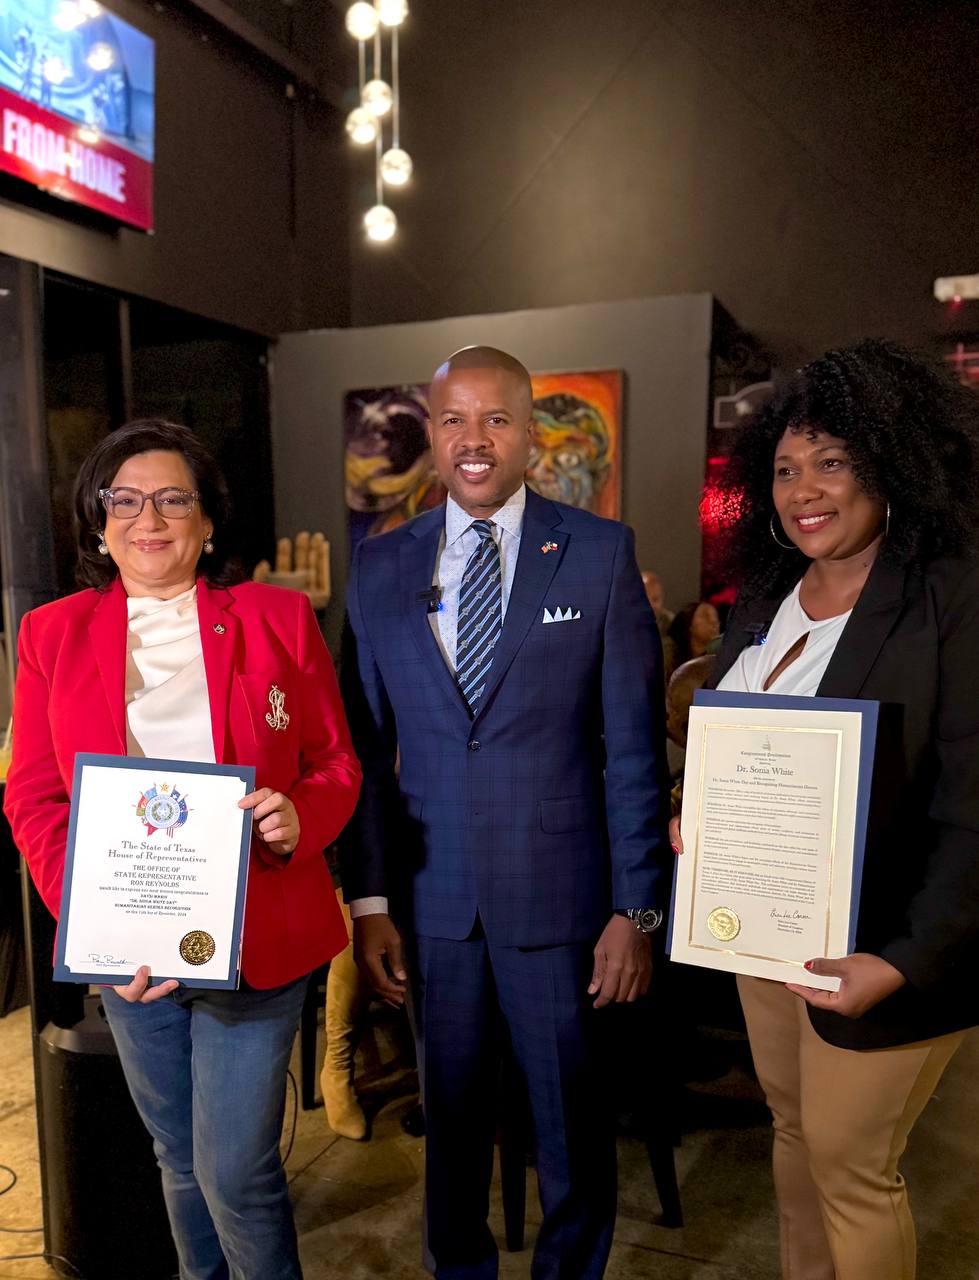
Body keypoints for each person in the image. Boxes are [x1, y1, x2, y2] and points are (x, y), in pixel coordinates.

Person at [340, 345, 671, 1278]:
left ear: (530, 435)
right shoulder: (378, 567)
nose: (473, 440)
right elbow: (363, 755)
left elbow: (632, 751)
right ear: (431, 433)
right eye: (453, 419)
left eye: (495, 419)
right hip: (431, 904)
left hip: (565, 907)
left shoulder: (598, 552)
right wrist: (368, 905)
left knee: (570, 1128)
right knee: (447, 1129)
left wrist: (635, 909)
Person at [4, 419, 361, 1280]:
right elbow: (36, 794)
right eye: (123, 500)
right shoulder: (52, 634)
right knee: (177, 1160)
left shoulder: (276, 618)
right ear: (97, 521)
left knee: (237, 1170)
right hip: (132, 950)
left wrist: (297, 815)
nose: (147, 518)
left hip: (259, 933)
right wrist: (89, 916)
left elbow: (336, 762)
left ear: (206, 523)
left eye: (172, 500)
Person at [671, 339, 979, 1280]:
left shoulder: (949, 602)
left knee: (853, 1172)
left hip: (879, 949)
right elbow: (737, 749)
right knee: (795, 1137)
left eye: (833, 462)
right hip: (761, 936)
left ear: (889, 463)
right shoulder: (764, 603)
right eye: (785, 468)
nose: (804, 489)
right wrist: (700, 815)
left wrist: (899, 962)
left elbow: (974, 814)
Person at [664, 598, 720, 677]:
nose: (714, 621)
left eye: (716, 617)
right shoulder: (667, 654)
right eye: (705, 616)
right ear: (689, 623)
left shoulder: (720, 659)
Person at [641, 568, 674, 639]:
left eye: (655, 599)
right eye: (644, 599)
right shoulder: (619, 622)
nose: (650, 605)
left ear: (662, 598)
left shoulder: (671, 623)